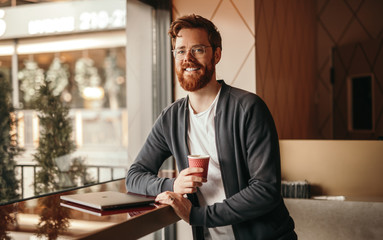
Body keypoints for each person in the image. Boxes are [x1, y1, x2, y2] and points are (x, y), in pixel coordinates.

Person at [126, 14, 297, 240]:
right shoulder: (171, 118)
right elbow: (134, 176)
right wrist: (173, 184)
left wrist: (198, 215)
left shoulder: (248, 108)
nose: (187, 58)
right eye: (180, 51)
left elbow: (265, 190)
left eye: (198, 49)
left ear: (216, 54)